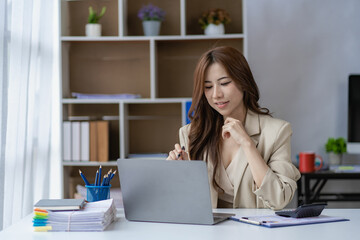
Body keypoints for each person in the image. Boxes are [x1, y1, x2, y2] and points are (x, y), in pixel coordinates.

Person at [167, 46, 300, 210]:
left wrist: (247, 144)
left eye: (224, 83)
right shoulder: (191, 133)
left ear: (243, 82)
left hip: (254, 233)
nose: (216, 94)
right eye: (208, 87)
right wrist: (184, 173)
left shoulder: (277, 132)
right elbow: (188, 205)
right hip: (208, 232)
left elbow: (279, 199)